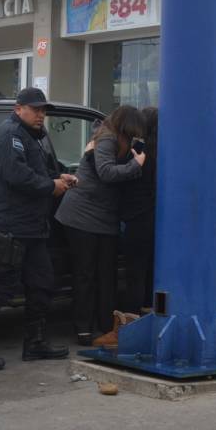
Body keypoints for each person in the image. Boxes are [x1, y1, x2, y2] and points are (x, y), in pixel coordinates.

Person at [0, 87, 75, 370]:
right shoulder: (10, 134)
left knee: (42, 283)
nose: (40, 115)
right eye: (35, 109)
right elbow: (16, 175)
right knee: (1, 286)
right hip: (9, 226)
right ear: (18, 108)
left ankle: (34, 343)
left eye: (43, 110)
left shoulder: (33, 136)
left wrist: (58, 178)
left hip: (32, 227)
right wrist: (51, 186)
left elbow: (34, 172)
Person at [54, 105, 145, 345]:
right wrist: (137, 165)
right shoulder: (106, 140)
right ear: (126, 125)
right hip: (81, 217)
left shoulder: (117, 140)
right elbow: (106, 173)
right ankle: (84, 329)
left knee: (106, 274)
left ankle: (105, 326)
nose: (136, 136)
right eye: (134, 132)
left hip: (103, 218)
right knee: (86, 274)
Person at [119, 106, 158, 314]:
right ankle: (146, 310)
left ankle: (131, 318)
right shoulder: (164, 154)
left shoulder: (137, 153)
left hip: (135, 220)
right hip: (152, 219)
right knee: (149, 271)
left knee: (134, 273)